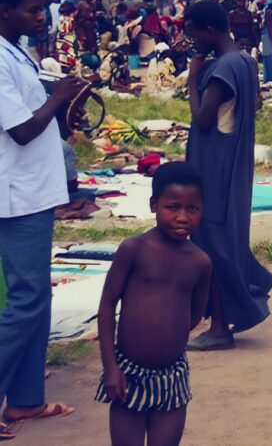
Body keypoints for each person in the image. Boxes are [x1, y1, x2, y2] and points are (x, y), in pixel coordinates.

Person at [0, 0, 82, 438]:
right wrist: (58, 97)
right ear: (4, 10)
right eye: (32, 9)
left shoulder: (19, 52)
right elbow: (22, 129)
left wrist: (66, 102)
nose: (39, 16)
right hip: (18, 195)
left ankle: (26, 400)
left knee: (36, 297)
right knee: (27, 300)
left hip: (35, 189)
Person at [96, 163, 212, 446]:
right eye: (173, 207)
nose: (183, 217)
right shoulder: (134, 250)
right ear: (153, 205)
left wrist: (168, 337)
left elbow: (196, 313)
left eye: (193, 208)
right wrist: (111, 367)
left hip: (172, 377)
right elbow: (107, 306)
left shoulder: (200, 262)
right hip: (128, 374)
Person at [183, 0, 272, 351]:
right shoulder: (244, 61)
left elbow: (203, 117)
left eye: (194, 37)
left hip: (214, 166)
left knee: (213, 247)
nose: (193, 44)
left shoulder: (222, 68)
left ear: (209, 31)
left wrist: (193, 78)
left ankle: (220, 328)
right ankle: (219, 320)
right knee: (223, 243)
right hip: (231, 164)